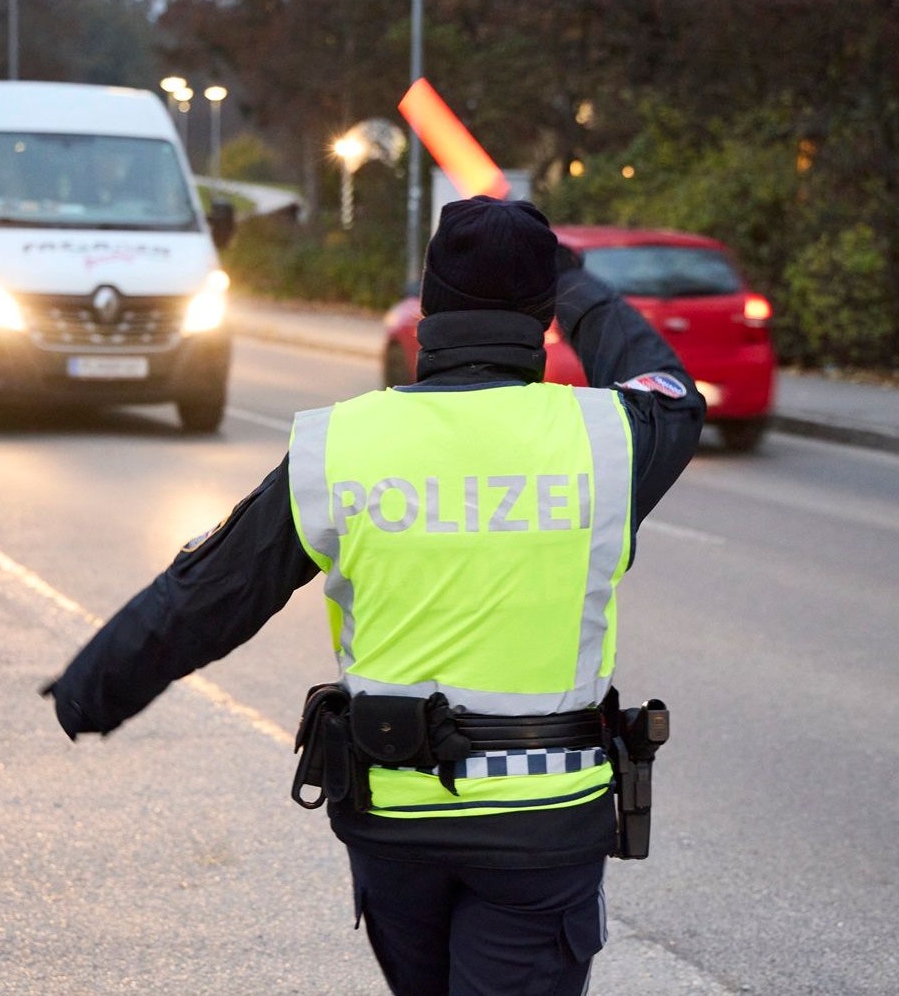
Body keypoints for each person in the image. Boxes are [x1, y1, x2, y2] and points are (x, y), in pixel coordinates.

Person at [41, 195, 706, 995]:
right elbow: (669, 384)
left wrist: (93, 689)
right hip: (542, 825)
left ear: (427, 306)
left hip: (393, 819)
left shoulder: (342, 444)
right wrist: (574, 286)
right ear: (542, 318)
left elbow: (213, 590)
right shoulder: (607, 438)